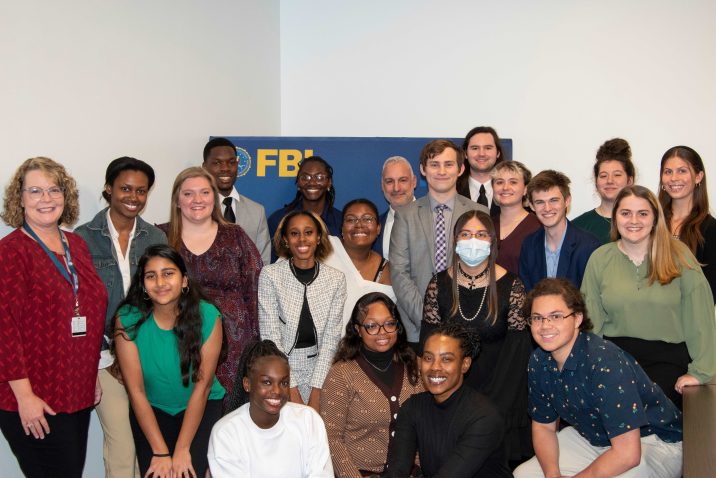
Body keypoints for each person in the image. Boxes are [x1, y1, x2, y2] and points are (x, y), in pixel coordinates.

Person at [0, 157, 106, 477]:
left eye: (54, 190)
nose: (46, 199)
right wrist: (25, 396)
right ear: (20, 199)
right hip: (34, 395)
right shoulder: (11, 251)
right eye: (35, 191)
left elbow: (86, 312)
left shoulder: (76, 244)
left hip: (77, 391)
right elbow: (4, 329)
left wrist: (93, 374)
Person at [514, 278, 683, 478]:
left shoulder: (604, 363)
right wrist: (553, 475)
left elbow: (628, 454)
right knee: (524, 474)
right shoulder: (538, 360)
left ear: (577, 319)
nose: (545, 326)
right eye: (537, 318)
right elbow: (543, 427)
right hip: (593, 436)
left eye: (556, 316)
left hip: (654, 442)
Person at [581, 185, 716, 409]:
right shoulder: (600, 258)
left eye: (643, 213)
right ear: (615, 218)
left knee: (641, 409)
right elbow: (590, 321)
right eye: (626, 213)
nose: (634, 220)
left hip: (667, 360)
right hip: (614, 358)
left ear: (655, 218)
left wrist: (700, 372)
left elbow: (700, 317)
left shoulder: (680, 255)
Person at [75, 156, 167, 478]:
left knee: (150, 445)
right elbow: (80, 305)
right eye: (125, 188)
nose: (133, 197)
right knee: (122, 447)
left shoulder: (155, 238)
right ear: (108, 189)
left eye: (141, 191)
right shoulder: (83, 238)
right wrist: (110, 350)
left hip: (148, 355)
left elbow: (163, 299)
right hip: (103, 359)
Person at [421, 209, 533, 463]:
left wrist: (491, 406)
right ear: (455, 240)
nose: (473, 241)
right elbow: (428, 348)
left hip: (500, 397)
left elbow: (517, 353)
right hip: (448, 397)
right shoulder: (438, 284)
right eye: (466, 234)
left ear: (492, 241)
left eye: (481, 234)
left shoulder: (513, 285)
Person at [114, 244, 225, 478]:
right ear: (143, 285)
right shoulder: (128, 320)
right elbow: (136, 392)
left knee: (187, 472)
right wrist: (161, 452)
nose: (160, 283)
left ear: (184, 280)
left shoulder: (208, 316)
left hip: (201, 407)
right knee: (158, 472)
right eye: (151, 276)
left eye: (168, 273)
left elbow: (202, 388)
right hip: (152, 410)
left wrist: (183, 449)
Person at [158, 167, 262, 408]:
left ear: (214, 198)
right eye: (188, 194)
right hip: (179, 342)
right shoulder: (160, 237)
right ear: (176, 200)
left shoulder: (235, 236)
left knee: (231, 420)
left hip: (235, 348)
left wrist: (257, 346)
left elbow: (255, 291)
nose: (197, 200)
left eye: (205, 192)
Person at [390, 139, 486, 348]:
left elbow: (484, 269)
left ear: (461, 169)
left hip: (468, 324)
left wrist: (459, 320)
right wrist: (428, 319)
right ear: (423, 170)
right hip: (418, 328)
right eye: (434, 165)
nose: (441, 171)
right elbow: (399, 273)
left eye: (448, 164)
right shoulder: (405, 215)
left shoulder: (479, 213)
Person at [387, 323, 511, 477]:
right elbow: (397, 469)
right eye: (428, 358)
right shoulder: (412, 407)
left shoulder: (485, 417)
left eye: (446, 359)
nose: (435, 367)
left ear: (465, 364)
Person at [321, 292, 422, 477]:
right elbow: (331, 437)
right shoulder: (342, 374)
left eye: (389, 324)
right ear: (358, 329)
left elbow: (428, 427)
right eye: (371, 326)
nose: (382, 332)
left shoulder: (414, 365)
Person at [259, 211, 347, 411]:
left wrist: (317, 391)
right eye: (294, 233)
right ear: (285, 240)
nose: (302, 239)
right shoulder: (270, 275)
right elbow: (270, 335)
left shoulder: (335, 279)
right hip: (279, 368)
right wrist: (289, 386)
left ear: (318, 238)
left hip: (322, 367)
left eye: (308, 232)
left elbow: (332, 339)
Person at [208, 340, 333, 477]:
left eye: (284, 382)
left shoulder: (309, 420)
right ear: (247, 384)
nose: (277, 391)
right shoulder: (226, 433)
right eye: (267, 382)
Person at [519, 170, 601, 292]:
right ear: (531, 206)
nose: (547, 208)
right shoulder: (529, 245)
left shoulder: (589, 246)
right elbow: (528, 294)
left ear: (567, 201)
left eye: (554, 200)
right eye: (540, 202)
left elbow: (592, 298)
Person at [324, 198, 396, 328]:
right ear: (342, 228)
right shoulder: (325, 249)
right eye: (351, 220)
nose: (359, 225)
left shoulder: (386, 270)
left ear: (378, 228)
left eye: (367, 219)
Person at [202, 137, 271, 264]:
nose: (225, 168)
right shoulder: (197, 210)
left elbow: (263, 262)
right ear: (205, 167)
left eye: (231, 162)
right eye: (217, 163)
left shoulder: (257, 211)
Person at [658, 145, 715, 300]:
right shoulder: (651, 222)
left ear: (698, 176)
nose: (674, 178)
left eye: (682, 171)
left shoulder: (711, 229)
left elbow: (710, 291)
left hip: (689, 318)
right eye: (668, 172)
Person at [268, 155, 342, 260]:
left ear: (329, 182)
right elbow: (270, 262)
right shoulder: (278, 220)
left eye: (319, 177)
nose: (312, 182)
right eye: (305, 177)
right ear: (298, 183)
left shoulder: (341, 221)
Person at [573, 138, 636, 244]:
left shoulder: (641, 225)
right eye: (603, 176)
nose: (610, 181)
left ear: (629, 181)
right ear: (596, 181)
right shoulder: (578, 227)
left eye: (617, 175)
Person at [490, 160, 541, 275]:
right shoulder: (485, 225)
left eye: (513, 182)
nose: (505, 187)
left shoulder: (538, 227)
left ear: (525, 189)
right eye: (499, 182)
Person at [375, 156, 417, 258]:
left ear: (414, 182)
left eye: (403, 180)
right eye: (389, 181)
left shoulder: (434, 219)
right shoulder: (374, 226)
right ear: (382, 185)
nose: (396, 188)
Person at [457, 126, 505, 215]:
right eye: (475, 148)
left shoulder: (509, 191)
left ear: (498, 153)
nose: (481, 154)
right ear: (465, 154)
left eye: (488, 148)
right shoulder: (453, 190)